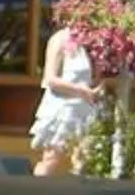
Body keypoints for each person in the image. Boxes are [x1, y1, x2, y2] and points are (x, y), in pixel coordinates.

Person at [29, 24, 100, 174]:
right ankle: (36, 192)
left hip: (84, 108)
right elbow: (50, 79)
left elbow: (92, 77)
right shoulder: (59, 39)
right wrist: (80, 90)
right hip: (63, 108)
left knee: (84, 159)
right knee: (51, 159)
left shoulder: (92, 41)